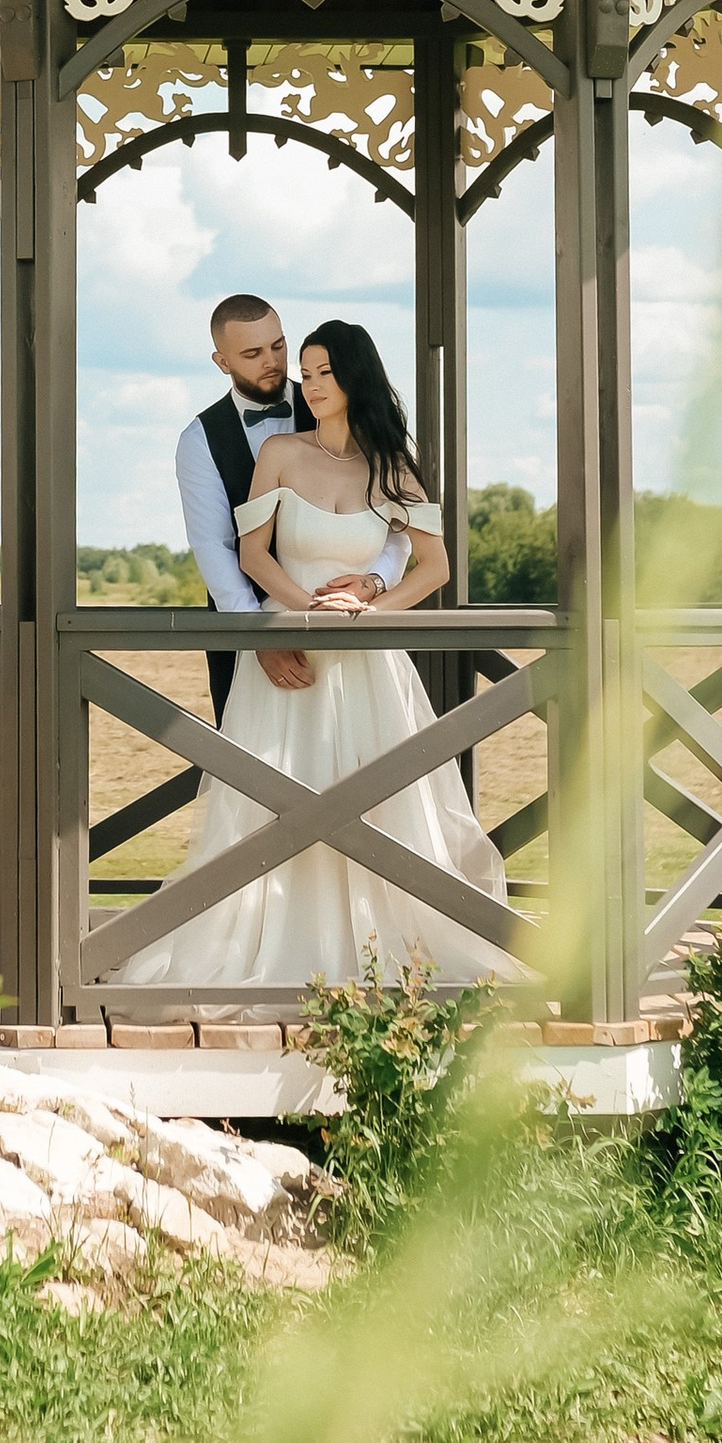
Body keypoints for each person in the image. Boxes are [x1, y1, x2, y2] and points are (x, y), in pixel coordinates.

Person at [130, 316, 513, 992]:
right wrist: (301, 613)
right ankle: (277, 944)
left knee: (378, 804)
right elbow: (250, 554)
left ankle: (380, 945)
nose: (310, 385)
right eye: (305, 373)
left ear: (356, 374)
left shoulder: (394, 464)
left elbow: (433, 567)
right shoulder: (279, 452)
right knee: (278, 802)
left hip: (368, 667)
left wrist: (371, 609)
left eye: (324, 372)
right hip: (288, 662)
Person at [175, 292, 401, 723]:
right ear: (222, 361)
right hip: (249, 632)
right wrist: (261, 637)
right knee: (254, 771)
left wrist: (373, 584)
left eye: (278, 346)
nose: (272, 361)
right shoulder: (199, 440)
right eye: (252, 353)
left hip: (355, 629)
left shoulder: (335, 404)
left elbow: (394, 525)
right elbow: (214, 546)